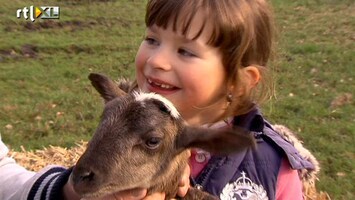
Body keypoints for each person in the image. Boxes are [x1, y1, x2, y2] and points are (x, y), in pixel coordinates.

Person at [0, 0, 319, 199]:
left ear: (238, 80)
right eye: (152, 39)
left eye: (185, 51)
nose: (156, 61)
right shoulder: (123, 132)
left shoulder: (273, 166)